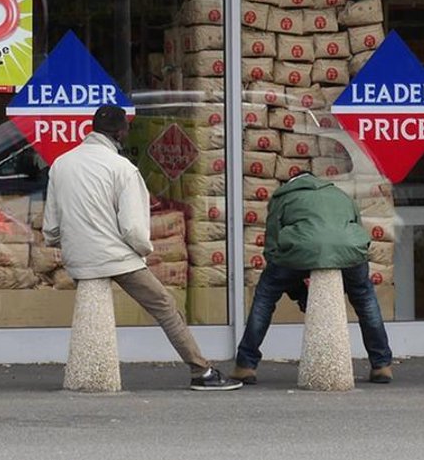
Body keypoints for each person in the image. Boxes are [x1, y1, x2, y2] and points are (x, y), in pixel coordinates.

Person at [42, 105, 242, 391]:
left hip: (78, 259)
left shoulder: (61, 164)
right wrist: (144, 251)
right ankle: (202, 371)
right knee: (165, 306)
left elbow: (51, 228)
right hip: (117, 258)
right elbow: (133, 230)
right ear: (120, 132)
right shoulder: (124, 169)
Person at [231, 171, 394, 385]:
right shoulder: (341, 195)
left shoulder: (283, 197)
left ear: (291, 183)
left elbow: (273, 239)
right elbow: (356, 225)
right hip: (349, 253)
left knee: (265, 297)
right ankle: (382, 365)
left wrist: (276, 268)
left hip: (299, 250)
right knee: (364, 299)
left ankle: (245, 365)